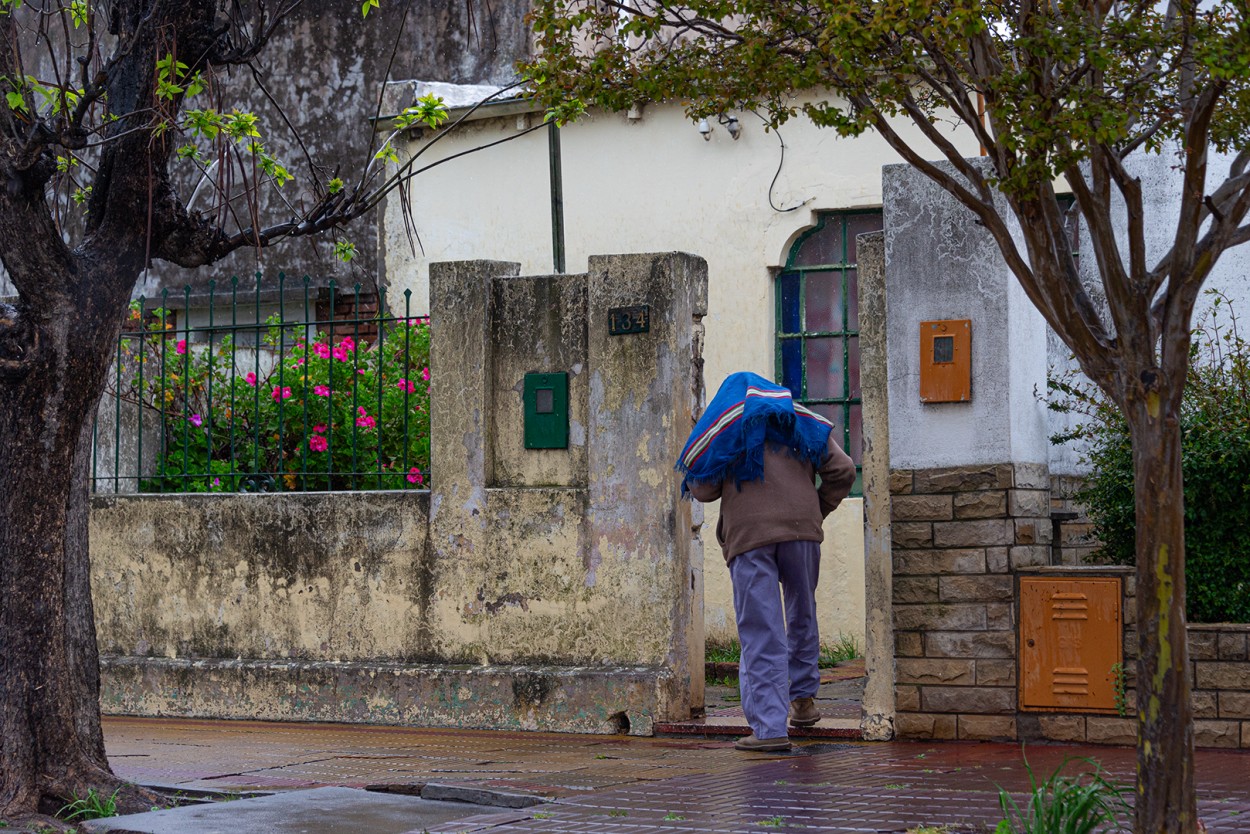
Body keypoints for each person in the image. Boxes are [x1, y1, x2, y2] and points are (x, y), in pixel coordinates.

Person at [678, 371, 856, 752]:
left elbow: (703, 488)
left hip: (750, 537)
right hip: (802, 534)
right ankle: (804, 704)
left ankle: (770, 729)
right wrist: (815, 510)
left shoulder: (728, 425)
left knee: (762, 630)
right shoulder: (800, 418)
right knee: (802, 614)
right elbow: (844, 471)